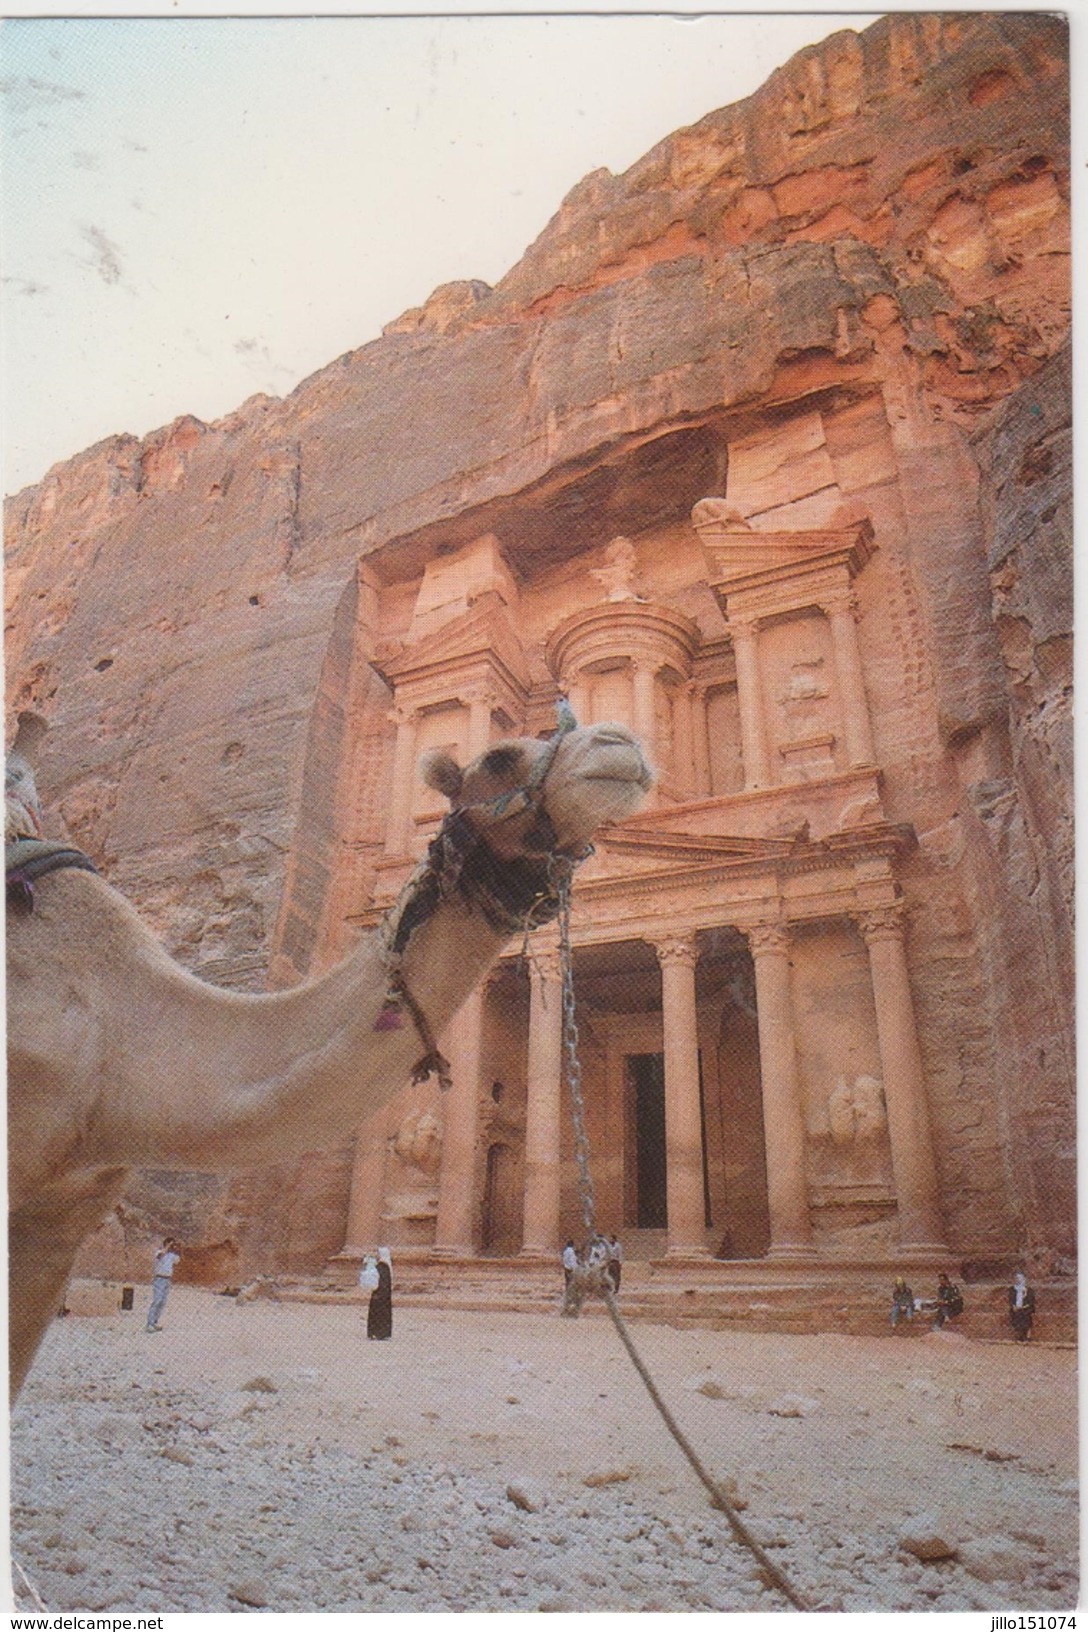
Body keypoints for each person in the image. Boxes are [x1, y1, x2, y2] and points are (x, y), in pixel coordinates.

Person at [146, 1237, 180, 1333]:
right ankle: (149, 1323)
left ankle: (155, 1322)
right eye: (170, 1244)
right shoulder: (159, 1252)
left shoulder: (172, 1255)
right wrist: (167, 1247)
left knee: (162, 1302)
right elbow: (159, 1256)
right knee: (157, 1300)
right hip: (159, 1279)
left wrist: (176, 1250)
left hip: (167, 1279)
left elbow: (177, 1261)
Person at [367, 1246, 393, 1340]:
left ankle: (376, 1332)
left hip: (379, 1294)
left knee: (377, 1313)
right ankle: (382, 1333)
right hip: (384, 1295)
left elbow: (379, 1280)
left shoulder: (381, 1266)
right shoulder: (386, 1266)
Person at [1008, 1271, 1036, 1341]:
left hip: (1026, 1309)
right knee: (1016, 1318)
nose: (1018, 1280)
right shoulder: (1012, 1289)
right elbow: (1011, 1299)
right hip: (1016, 1308)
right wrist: (1013, 1306)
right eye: (1017, 1278)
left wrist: (1024, 1307)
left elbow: (1031, 1301)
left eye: (1020, 1278)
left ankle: (1027, 1336)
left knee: (1026, 1318)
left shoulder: (1029, 1290)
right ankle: (1018, 1335)